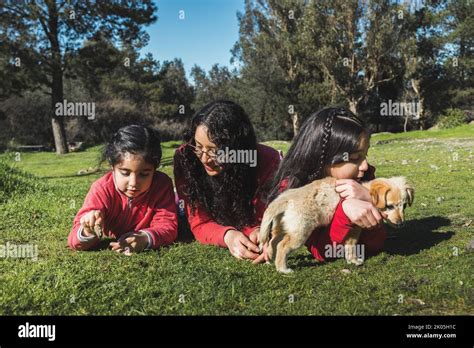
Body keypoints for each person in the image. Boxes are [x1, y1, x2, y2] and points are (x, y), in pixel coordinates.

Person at [264, 107, 387, 263]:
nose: (365, 166)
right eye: (355, 158)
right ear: (324, 160)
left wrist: (369, 198)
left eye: (365, 155)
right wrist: (345, 210)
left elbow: (375, 244)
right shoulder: (298, 191)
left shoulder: (363, 180)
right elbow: (323, 251)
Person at [174, 100, 281, 261]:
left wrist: (261, 231)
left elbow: (265, 215)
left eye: (215, 151)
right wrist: (227, 236)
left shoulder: (267, 160)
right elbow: (198, 221)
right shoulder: (186, 158)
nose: (204, 159)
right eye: (198, 146)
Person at [67, 125, 177, 254]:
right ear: (112, 166)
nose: (133, 183)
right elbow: (74, 240)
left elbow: (168, 227)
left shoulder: (161, 186)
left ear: (155, 168)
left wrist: (145, 238)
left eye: (144, 174)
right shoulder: (102, 189)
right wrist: (87, 230)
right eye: (125, 173)